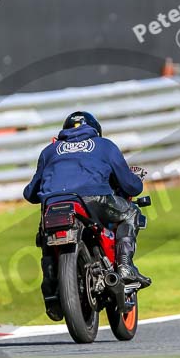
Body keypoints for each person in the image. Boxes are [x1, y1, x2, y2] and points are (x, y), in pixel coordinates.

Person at [23, 111, 151, 317]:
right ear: (95, 131)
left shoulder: (49, 151)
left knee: (45, 238)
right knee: (130, 213)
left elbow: (30, 193)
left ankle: (50, 288)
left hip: (53, 204)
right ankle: (125, 266)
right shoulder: (104, 145)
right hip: (94, 199)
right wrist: (137, 182)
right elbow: (130, 186)